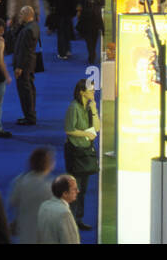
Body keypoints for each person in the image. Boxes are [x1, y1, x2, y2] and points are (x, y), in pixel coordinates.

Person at [63, 78, 100, 231]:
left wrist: (95, 109)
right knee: (73, 189)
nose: (93, 92)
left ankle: (78, 219)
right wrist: (85, 133)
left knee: (82, 190)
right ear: (82, 92)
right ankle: (69, 221)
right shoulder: (74, 108)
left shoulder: (88, 107)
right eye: (91, 90)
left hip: (86, 152)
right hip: (75, 153)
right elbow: (69, 129)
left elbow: (97, 128)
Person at [8, 147, 54, 243]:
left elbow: (12, 203)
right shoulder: (51, 187)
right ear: (48, 164)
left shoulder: (19, 181)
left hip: (25, 234)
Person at [12, 6, 39, 126]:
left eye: (22, 13)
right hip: (30, 63)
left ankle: (29, 116)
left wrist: (19, 67)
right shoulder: (33, 26)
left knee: (25, 91)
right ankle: (30, 114)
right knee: (29, 88)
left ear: (28, 14)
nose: (20, 15)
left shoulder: (28, 30)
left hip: (24, 65)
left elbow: (24, 50)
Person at [36, 174, 81, 244]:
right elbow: (71, 241)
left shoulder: (44, 206)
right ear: (65, 193)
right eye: (74, 189)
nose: (78, 191)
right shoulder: (65, 213)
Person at [77, 0, 104, 67]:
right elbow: (102, 3)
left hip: (86, 17)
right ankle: (93, 53)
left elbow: (79, 2)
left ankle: (91, 53)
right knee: (95, 36)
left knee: (88, 37)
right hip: (96, 17)